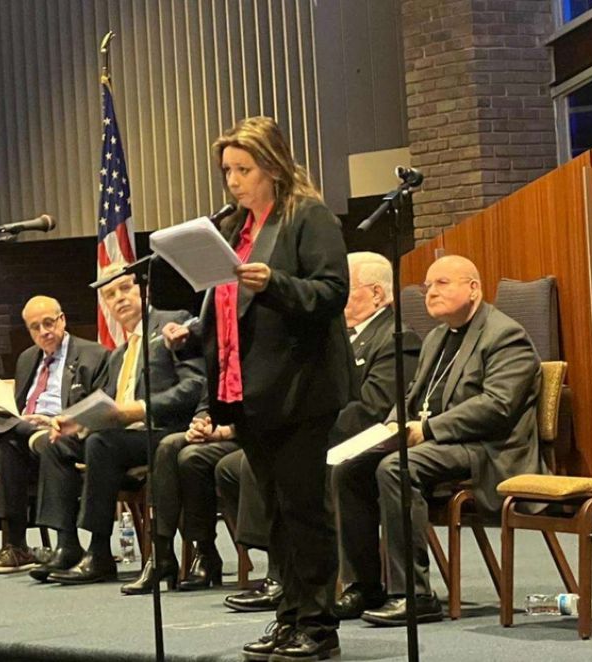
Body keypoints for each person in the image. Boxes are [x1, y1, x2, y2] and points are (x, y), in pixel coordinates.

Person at [164, 116, 350, 661]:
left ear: (273, 166)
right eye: (227, 171)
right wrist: (196, 331)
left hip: (300, 389)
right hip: (249, 393)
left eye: (243, 169)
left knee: (303, 508)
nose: (234, 181)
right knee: (272, 509)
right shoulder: (237, 229)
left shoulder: (307, 218)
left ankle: (318, 624)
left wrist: (276, 283)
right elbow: (231, 306)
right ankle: (289, 616)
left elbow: (330, 293)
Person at [335, 255, 543, 626]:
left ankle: (413, 595)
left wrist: (427, 430)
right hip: (440, 445)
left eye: (442, 283)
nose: (430, 292)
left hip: (487, 450)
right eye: (428, 286)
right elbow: (412, 395)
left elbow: (496, 407)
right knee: (351, 467)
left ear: (473, 288)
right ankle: (365, 585)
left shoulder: (505, 335)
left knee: (397, 467)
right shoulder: (436, 337)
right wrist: (393, 426)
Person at [216, 251, 422, 614]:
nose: (339, 298)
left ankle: (287, 577)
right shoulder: (340, 334)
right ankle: (277, 567)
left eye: (349, 289)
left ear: (376, 294)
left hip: (359, 436)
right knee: (236, 464)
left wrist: (310, 424)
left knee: (287, 461)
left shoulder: (396, 336)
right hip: (329, 432)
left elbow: (373, 406)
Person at [32, 263, 205, 585]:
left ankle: (99, 553)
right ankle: (67, 544)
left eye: (125, 289)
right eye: (110, 295)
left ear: (144, 289)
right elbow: (106, 409)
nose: (119, 299)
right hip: (124, 438)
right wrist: (76, 424)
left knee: (102, 444)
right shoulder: (118, 354)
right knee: (53, 442)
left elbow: (194, 387)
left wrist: (137, 410)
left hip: (165, 431)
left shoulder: (172, 323)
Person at [0, 296, 109, 574]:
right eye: (35, 327)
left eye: (48, 323)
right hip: (27, 432)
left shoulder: (92, 354)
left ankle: (49, 544)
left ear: (62, 320)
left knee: (15, 440)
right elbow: (19, 403)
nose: (43, 332)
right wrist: (23, 421)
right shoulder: (27, 359)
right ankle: (17, 548)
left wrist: (55, 421)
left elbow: (98, 407)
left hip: (68, 433)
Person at [119, 389, 238, 595]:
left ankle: (205, 551)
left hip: (245, 434)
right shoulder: (223, 359)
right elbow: (205, 401)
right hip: (216, 428)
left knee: (191, 458)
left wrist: (223, 431)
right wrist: (200, 422)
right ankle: (161, 553)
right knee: (167, 446)